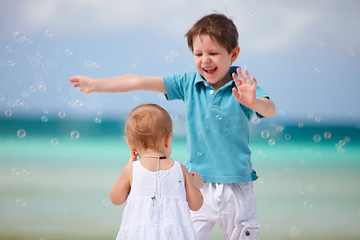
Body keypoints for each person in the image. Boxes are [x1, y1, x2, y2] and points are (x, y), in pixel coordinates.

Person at [69, 13, 275, 240]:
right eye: (199, 54)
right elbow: (139, 81)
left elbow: (269, 109)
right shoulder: (188, 83)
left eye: (213, 53)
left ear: (233, 54)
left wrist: (253, 102)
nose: (205, 59)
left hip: (237, 185)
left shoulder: (242, 84)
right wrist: (96, 85)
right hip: (197, 183)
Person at [110, 103, 203, 240]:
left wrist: (129, 167)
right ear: (167, 139)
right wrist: (195, 186)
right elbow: (196, 205)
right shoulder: (179, 169)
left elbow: (116, 199)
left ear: (130, 145)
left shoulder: (131, 170)